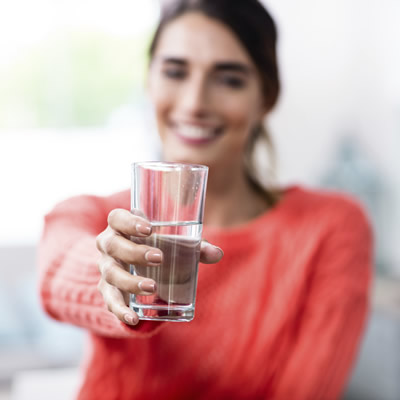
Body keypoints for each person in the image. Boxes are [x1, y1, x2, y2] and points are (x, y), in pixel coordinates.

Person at [38, 0, 373, 399]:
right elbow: (59, 268)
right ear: (149, 82)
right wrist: (111, 272)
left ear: (265, 97)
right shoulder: (98, 217)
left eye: (229, 79)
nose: (195, 102)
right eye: (175, 72)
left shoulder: (330, 226)